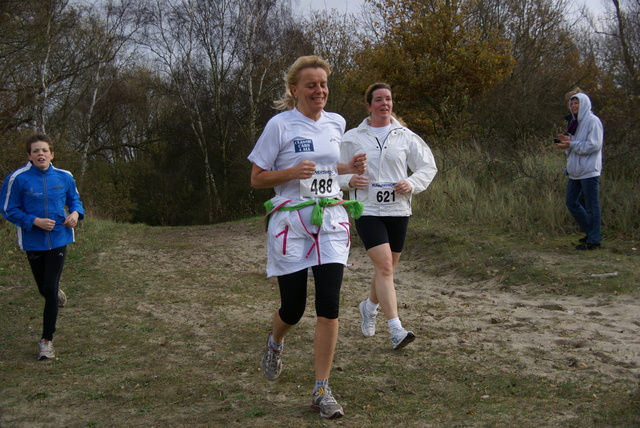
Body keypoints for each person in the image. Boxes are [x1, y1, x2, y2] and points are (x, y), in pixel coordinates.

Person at [248, 55, 366, 419]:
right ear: (295, 89)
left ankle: (321, 390)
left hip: (330, 219)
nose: (319, 90)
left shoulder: (337, 123)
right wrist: (290, 171)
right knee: (294, 308)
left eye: (324, 84)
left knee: (329, 305)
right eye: (311, 85)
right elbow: (257, 177)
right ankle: (275, 340)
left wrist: (350, 169)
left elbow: (328, 169)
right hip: (291, 224)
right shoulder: (280, 126)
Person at [339, 82, 437, 350]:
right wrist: (350, 180)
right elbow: (332, 170)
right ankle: (396, 329)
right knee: (384, 267)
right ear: (368, 105)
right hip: (367, 210)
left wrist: (412, 183)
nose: (385, 104)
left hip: (398, 209)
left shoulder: (405, 135)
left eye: (389, 99)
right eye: (379, 100)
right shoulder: (351, 138)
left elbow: (428, 166)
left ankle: (369, 308)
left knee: (387, 270)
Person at [1, 132, 85, 360]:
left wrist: (76, 214)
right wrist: (34, 221)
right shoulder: (17, 179)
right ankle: (55, 291)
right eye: (36, 150)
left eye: (44, 150)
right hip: (33, 241)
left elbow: (75, 201)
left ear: (52, 154)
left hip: (60, 238)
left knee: (48, 289)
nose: (41, 154)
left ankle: (46, 340)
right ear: (29, 155)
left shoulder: (65, 176)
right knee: (45, 289)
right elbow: (8, 209)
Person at [556, 92, 603, 250]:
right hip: (575, 170)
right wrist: (566, 143)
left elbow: (594, 145)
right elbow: (574, 144)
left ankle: (594, 239)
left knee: (591, 204)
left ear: (584, 104)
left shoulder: (592, 121)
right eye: (572, 103)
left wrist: (572, 145)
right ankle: (592, 233)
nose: (574, 106)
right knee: (571, 201)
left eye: (576, 103)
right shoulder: (575, 123)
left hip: (589, 169)